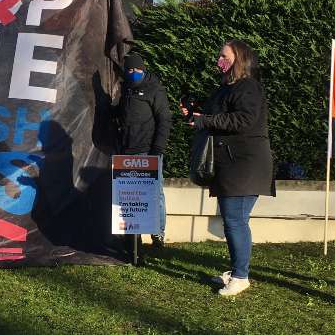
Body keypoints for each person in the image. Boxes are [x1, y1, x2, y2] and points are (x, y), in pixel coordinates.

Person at [183, 40, 274, 296]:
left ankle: (241, 276)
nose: (218, 60)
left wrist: (206, 120)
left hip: (245, 164)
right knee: (233, 220)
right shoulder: (225, 88)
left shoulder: (249, 87)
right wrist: (196, 114)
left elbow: (243, 119)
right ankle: (236, 271)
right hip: (232, 163)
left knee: (235, 220)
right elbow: (215, 115)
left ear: (239, 58)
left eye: (223, 55)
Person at [117, 53, 172, 257]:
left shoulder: (154, 90)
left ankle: (158, 233)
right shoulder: (125, 90)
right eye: (129, 70)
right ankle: (132, 235)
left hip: (148, 150)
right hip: (127, 151)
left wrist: (157, 150)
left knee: (155, 194)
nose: (133, 73)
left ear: (143, 69)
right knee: (129, 196)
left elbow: (165, 120)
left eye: (136, 70)